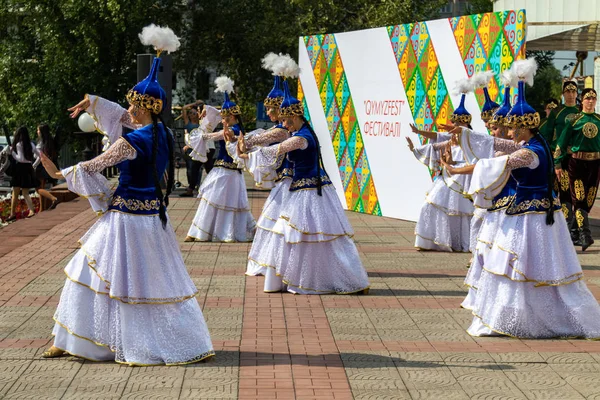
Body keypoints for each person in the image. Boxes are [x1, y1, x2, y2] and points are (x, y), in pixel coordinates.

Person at [39, 25, 214, 364]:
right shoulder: (163, 134)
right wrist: (94, 102)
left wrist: (58, 173)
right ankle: (162, 340)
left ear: (143, 108)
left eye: (133, 105)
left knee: (89, 271)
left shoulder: (129, 141)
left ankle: (82, 340)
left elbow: (94, 166)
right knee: (150, 282)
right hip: (151, 219)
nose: (128, 110)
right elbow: (122, 118)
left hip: (124, 221)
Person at [453, 58, 600, 339]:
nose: (508, 132)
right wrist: (465, 134)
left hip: (531, 219)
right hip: (537, 214)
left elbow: (500, 162)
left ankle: (527, 318)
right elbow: (498, 143)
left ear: (523, 128)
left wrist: (457, 169)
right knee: (524, 267)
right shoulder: (532, 143)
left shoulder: (529, 153)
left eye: (512, 128)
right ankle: (518, 315)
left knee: (522, 266)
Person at [238, 71, 370, 294]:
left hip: (310, 193)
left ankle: (323, 278)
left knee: (309, 236)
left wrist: (248, 156)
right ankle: (290, 277)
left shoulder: (301, 138)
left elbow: (277, 149)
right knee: (290, 234)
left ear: (295, 118)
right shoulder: (299, 132)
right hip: (301, 190)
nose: (284, 125)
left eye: (286, 121)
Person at [237, 53, 292, 277]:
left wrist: (244, 142)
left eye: (271, 109)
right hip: (283, 183)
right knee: (273, 223)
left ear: (280, 109)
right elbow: (258, 139)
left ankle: (281, 263)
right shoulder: (277, 128)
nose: (267, 112)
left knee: (279, 224)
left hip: (290, 184)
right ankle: (275, 262)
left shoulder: (283, 130)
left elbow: (260, 140)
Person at [407, 78, 475, 252]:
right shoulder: (450, 138)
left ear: (467, 124)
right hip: (448, 176)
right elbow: (436, 140)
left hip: (465, 178)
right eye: (455, 123)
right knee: (432, 205)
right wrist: (417, 142)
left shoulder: (474, 139)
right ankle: (434, 240)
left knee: (462, 213)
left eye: (460, 124)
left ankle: (460, 242)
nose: (457, 127)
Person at [184, 76, 256, 242]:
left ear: (232, 117)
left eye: (225, 117)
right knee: (215, 198)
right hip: (224, 170)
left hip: (228, 171)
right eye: (223, 117)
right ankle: (200, 231)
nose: (222, 120)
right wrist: (207, 108)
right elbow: (215, 114)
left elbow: (216, 135)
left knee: (217, 199)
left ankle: (208, 232)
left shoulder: (233, 130)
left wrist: (202, 136)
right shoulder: (233, 126)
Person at [554, 88, 600, 251]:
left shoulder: (598, 120)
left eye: (593, 98)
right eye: (587, 98)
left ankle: (576, 232)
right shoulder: (574, 121)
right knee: (579, 197)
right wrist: (558, 163)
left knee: (589, 199)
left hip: (595, 164)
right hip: (577, 164)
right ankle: (585, 235)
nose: (590, 101)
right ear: (582, 101)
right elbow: (562, 141)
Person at [551, 81, 580, 243]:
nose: (570, 94)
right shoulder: (557, 112)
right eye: (567, 91)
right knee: (565, 192)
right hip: (561, 159)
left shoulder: (582, 112)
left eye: (573, 91)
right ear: (563, 94)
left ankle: (576, 229)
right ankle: (566, 229)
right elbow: (547, 133)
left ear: (577, 94)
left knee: (579, 194)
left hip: (579, 159)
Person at [181, 101, 216, 196]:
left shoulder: (206, 120)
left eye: (198, 111)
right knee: (196, 168)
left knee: (204, 168)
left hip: (207, 147)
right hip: (200, 148)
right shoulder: (201, 121)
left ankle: (193, 189)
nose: (196, 113)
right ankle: (191, 189)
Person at [6, 126, 39, 221]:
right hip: (28, 168)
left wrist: (12, 153)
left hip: (19, 168)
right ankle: (32, 210)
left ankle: (12, 214)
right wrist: (34, 165)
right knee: (25, 193)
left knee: (15, 193)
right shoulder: (31, 144)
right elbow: (39, 155)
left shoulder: (19, 144)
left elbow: (20, 158)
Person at [35, 124, 60, 211]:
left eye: (38, 130)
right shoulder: (50, 141)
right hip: (51, 165)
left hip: (41, 166)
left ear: (41, 131)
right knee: (50, 185)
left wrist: (33, 166)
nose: (37, 132)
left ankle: (51, 200)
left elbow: (40, 156)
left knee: (39, 188)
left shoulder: (41, 142)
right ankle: (45, 206)